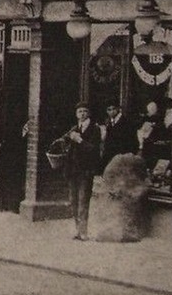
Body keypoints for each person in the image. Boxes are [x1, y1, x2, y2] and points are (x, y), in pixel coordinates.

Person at [62, 102, 103, 241]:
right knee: (73, 201)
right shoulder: (74, 128)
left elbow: (93, 149)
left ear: (89, 113)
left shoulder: (95, 129)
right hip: (73, 171)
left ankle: (83, 231)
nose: (82, 114)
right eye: (80, 111)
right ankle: (77, 230)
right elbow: (67, 147)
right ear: (76, 114)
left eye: (85, 111)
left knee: (83, 201)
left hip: (86, 172)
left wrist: (79, 140)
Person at [101, 102, 138, 172]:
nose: (111, 111)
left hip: (123, 159)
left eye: (114, 109)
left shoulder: (127, 122)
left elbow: (133, 143)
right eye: (109, 109)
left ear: (119, 109)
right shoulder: (109, 123)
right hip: (112, 159)